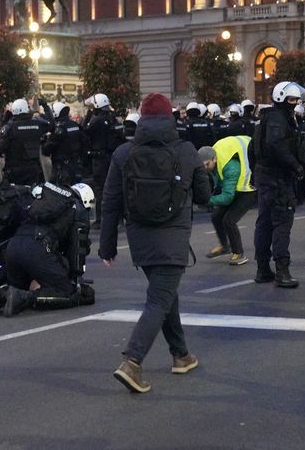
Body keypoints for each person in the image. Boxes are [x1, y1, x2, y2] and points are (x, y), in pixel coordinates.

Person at [100, 92, 211, 393]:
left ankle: (181, 355)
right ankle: (132, 361)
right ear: (170, 118)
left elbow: (110, 202)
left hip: (140, 240)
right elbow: (204, 197)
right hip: (173, 237)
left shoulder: (123, 153)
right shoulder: (186, 150)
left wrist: (107, 246)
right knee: (160, 299)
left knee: (164, 295)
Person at [1, 182, 95, 316]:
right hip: (37, 247)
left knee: (19, 284)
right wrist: (75, 279)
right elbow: (77, 250)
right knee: (65, 292)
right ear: (86, 199)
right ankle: (24, 298)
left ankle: (0, 294)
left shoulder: (46, 198)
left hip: (14, 244)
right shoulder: (77, 210)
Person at [252, 81, 305, 288]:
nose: (294, 104)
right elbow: (276, 145)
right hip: (277, 178)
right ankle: (282, 271)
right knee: (281, 223)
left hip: (266, 176)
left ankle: (262, 269)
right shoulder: (277, 120)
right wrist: (295, 166)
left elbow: (253, 148)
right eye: (291, 100)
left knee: (265, 222)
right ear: (280, 98)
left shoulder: (268, 118)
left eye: (296, 100)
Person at [199, 135, 256, 265]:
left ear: (214, 159)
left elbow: (227, 198)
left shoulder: (230, 167)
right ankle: (225, 246)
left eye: (207, 164)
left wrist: (206, 200)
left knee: (229, 220)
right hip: (235, 187)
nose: (205, 168)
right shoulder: (214, 159)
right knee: (216, 217)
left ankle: (239, 253)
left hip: (247, 190)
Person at [0, 98, 50, 186]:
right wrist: (46, 108)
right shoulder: (37, 124)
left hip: (15, 171)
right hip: (33, 170)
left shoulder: (10, 127)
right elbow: (51, 126)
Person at [83, 93, 119, 225]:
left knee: (100, 189)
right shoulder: (113, 119)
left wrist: (88, 114)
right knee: (113, 187)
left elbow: (84, 130)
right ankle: (117, 217)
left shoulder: (96, 120)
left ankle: (100, 219)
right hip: (111, 157)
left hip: (99, 159)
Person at [43, 101, 86, 186]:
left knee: (54, 190)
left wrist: (45, 140)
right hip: (76, 164)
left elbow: (46, 150)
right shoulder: (75, 125)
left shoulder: (60, 129)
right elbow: (84, 141)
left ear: (56, 113)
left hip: (61, 167)